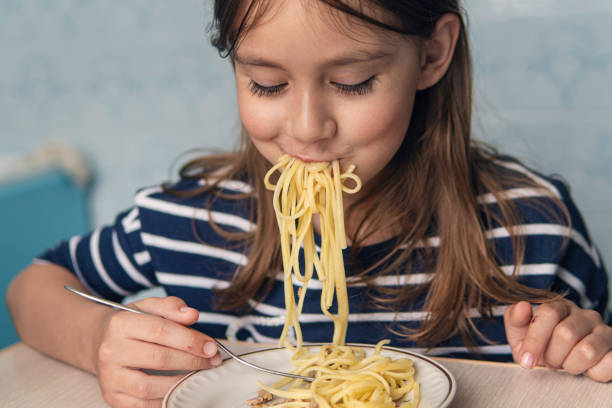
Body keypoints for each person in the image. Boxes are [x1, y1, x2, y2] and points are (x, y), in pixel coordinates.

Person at [7, 0, 612, 407]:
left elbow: (590, 361)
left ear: (431, 54)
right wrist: (97, 338)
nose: (306, 127)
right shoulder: (184, 223)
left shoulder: (534, 226)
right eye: (266, 83)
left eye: (351, 82)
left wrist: (581, 346)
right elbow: (31, 287)